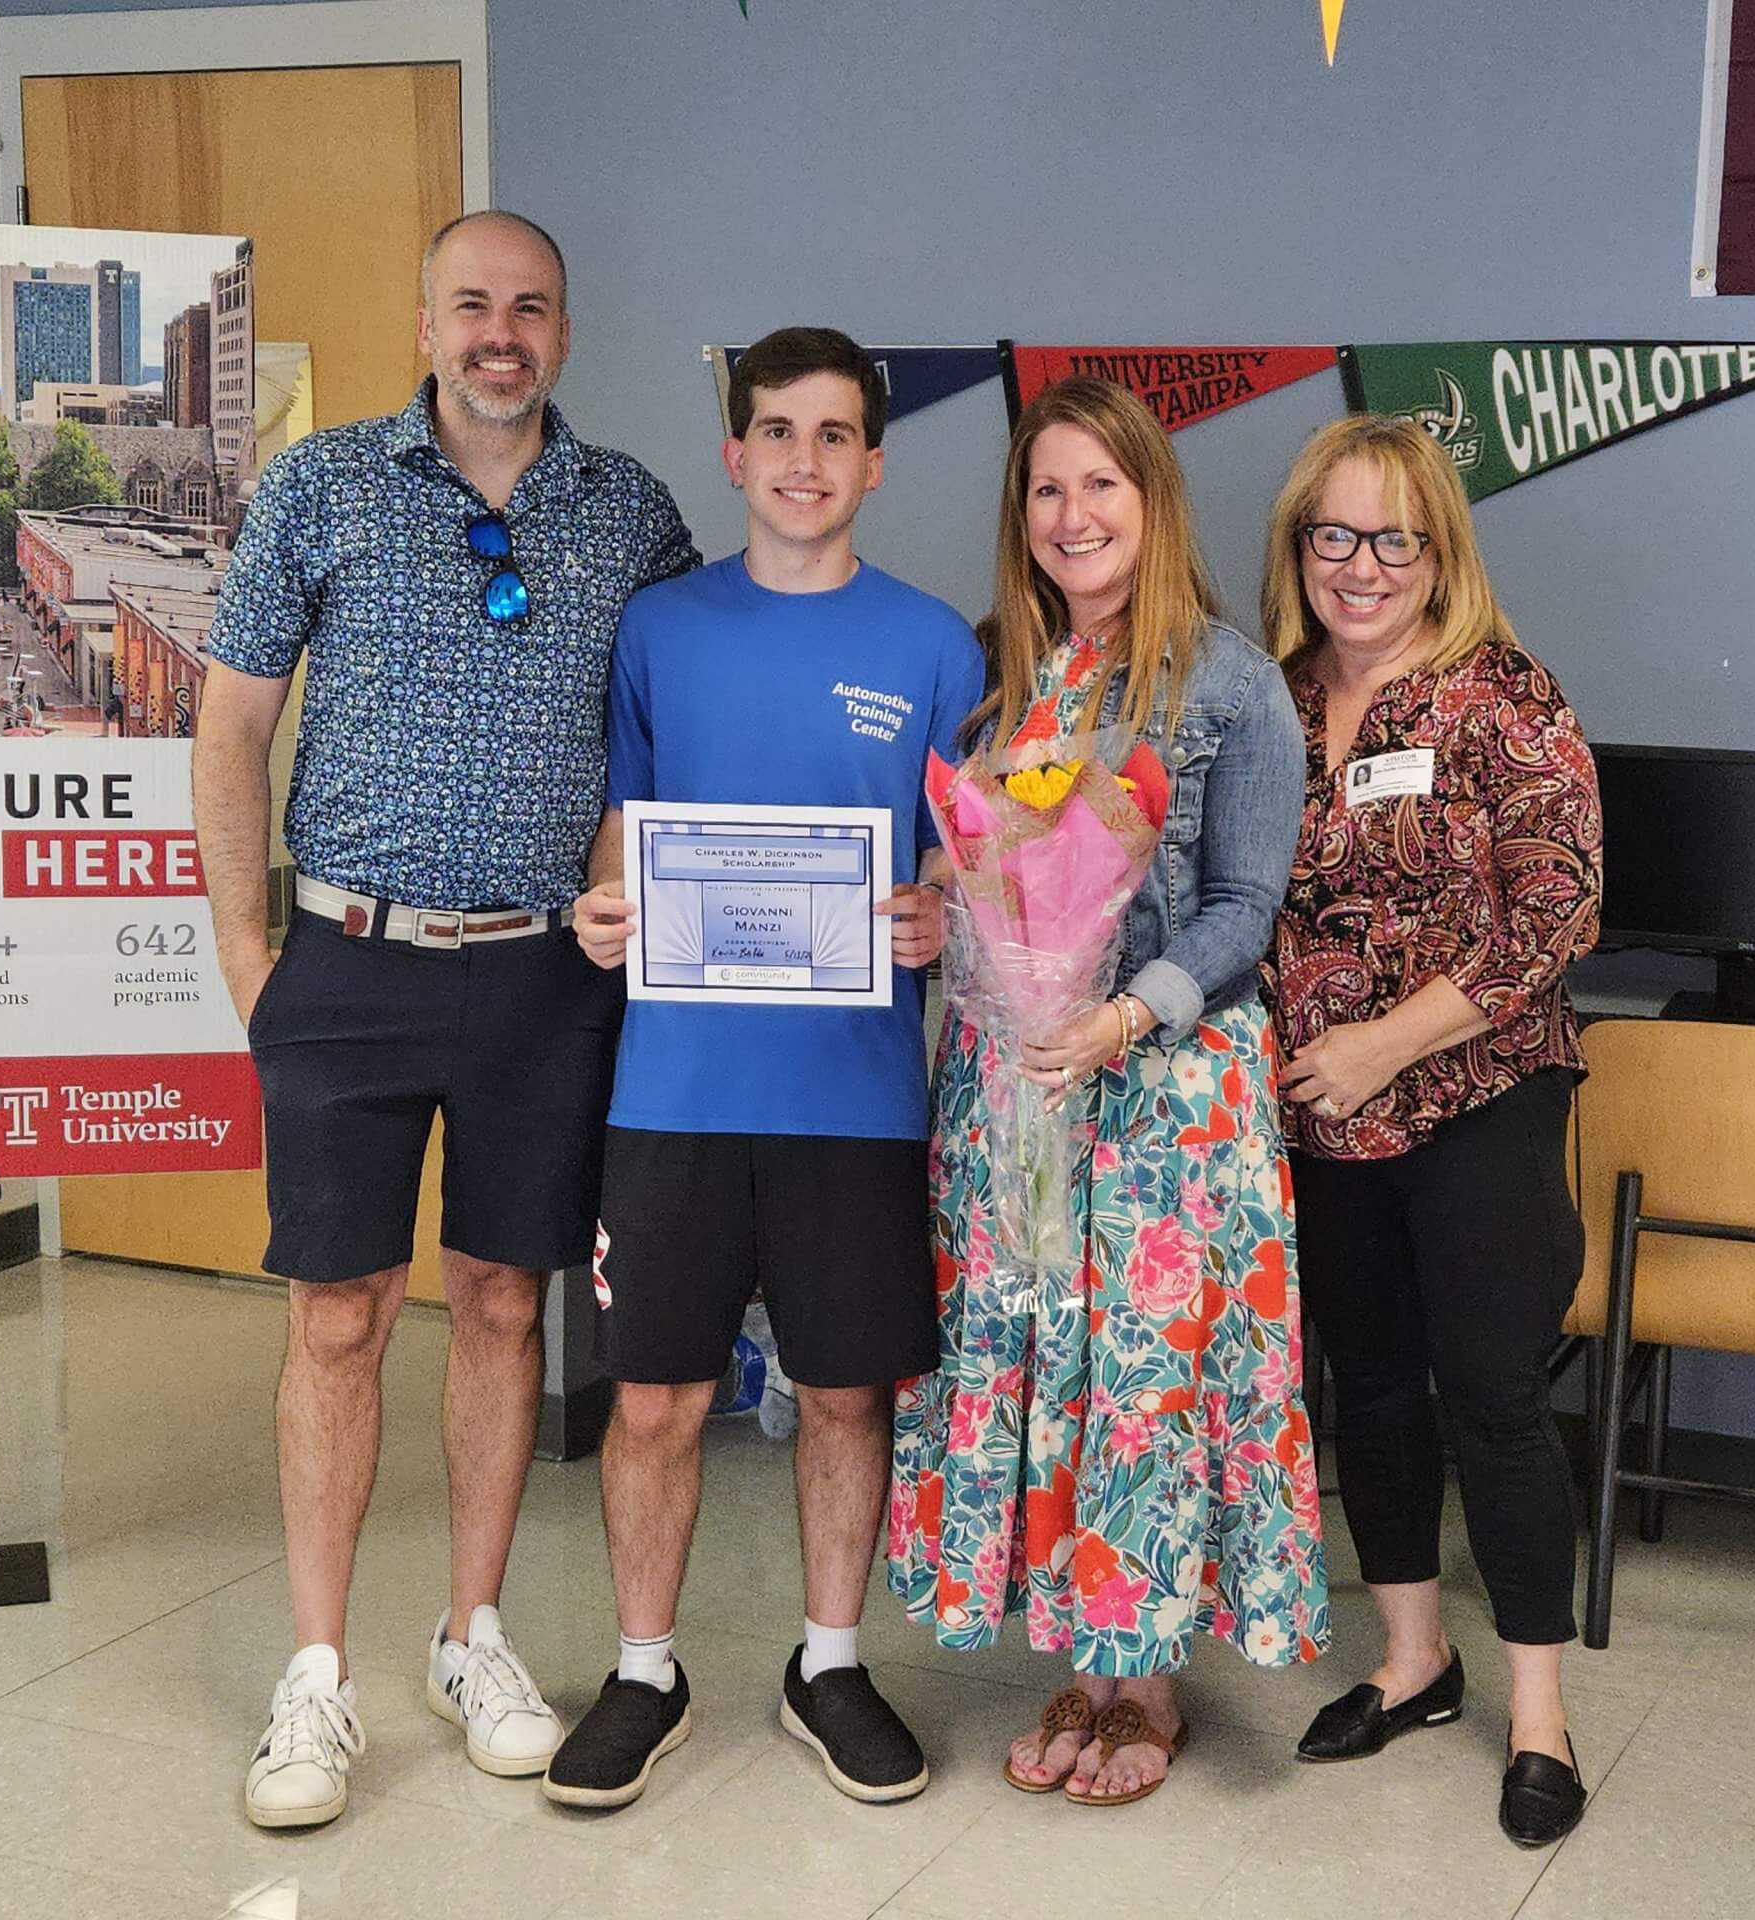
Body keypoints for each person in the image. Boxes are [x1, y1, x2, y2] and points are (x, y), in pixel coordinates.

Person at [193, 209, 698, 1831]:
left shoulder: (631, 510)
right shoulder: (322, 485)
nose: (500, 332)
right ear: (425, 323)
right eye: (471, 303)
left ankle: (471, 1635)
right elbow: (232, 724)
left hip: (546, 978)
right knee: (338, 1313)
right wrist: (249, 952)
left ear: (565, 331)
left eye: (529, 307)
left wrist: (621, 882)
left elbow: (665, 736)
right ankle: (317, 1673)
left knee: (499, 1303)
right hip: (347, 965)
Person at [548, 327, 982, 1812]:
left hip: (854, 1099)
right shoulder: (660, 628)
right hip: (673, 1090)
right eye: (778, 432)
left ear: (876, 462)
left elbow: (963, 855)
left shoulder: (935, 645)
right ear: (734, 453)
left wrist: (939, 911)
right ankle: (644, 1672)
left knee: (847, 1393)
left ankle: (830, 1663)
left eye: (835, 434)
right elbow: (626, 826)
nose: (805, 461)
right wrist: (602, 906)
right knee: (655, 1400)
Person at [888, 377, 1325, 1807]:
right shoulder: (990, 673)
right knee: (1041, 1367)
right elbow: (965, 857)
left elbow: (1247, 904)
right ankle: (1080, 1653)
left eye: (1101, 487)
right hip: (1013, 1087)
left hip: (1165, 1095)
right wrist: (938, 909)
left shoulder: (1232, 682)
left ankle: (1147, 1683)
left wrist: (1124, 1014)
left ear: (1153, 501)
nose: (1073, 516)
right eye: (1047, 490)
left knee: (1144, 1384)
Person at [1257, 414, 1602, 1846]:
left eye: (1393, 537)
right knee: (1373, 1388)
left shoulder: (1499, 697)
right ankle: (1414, 1661)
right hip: (1320, 1121)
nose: (1362, 565)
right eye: (1333, 534)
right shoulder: (1272, 699)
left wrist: (1383, 1044)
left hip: (1478, 1098)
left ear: (1439, 551)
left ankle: (1540, 1718)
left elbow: (1559, 912)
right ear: (1300, 548)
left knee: (1493, 1395)